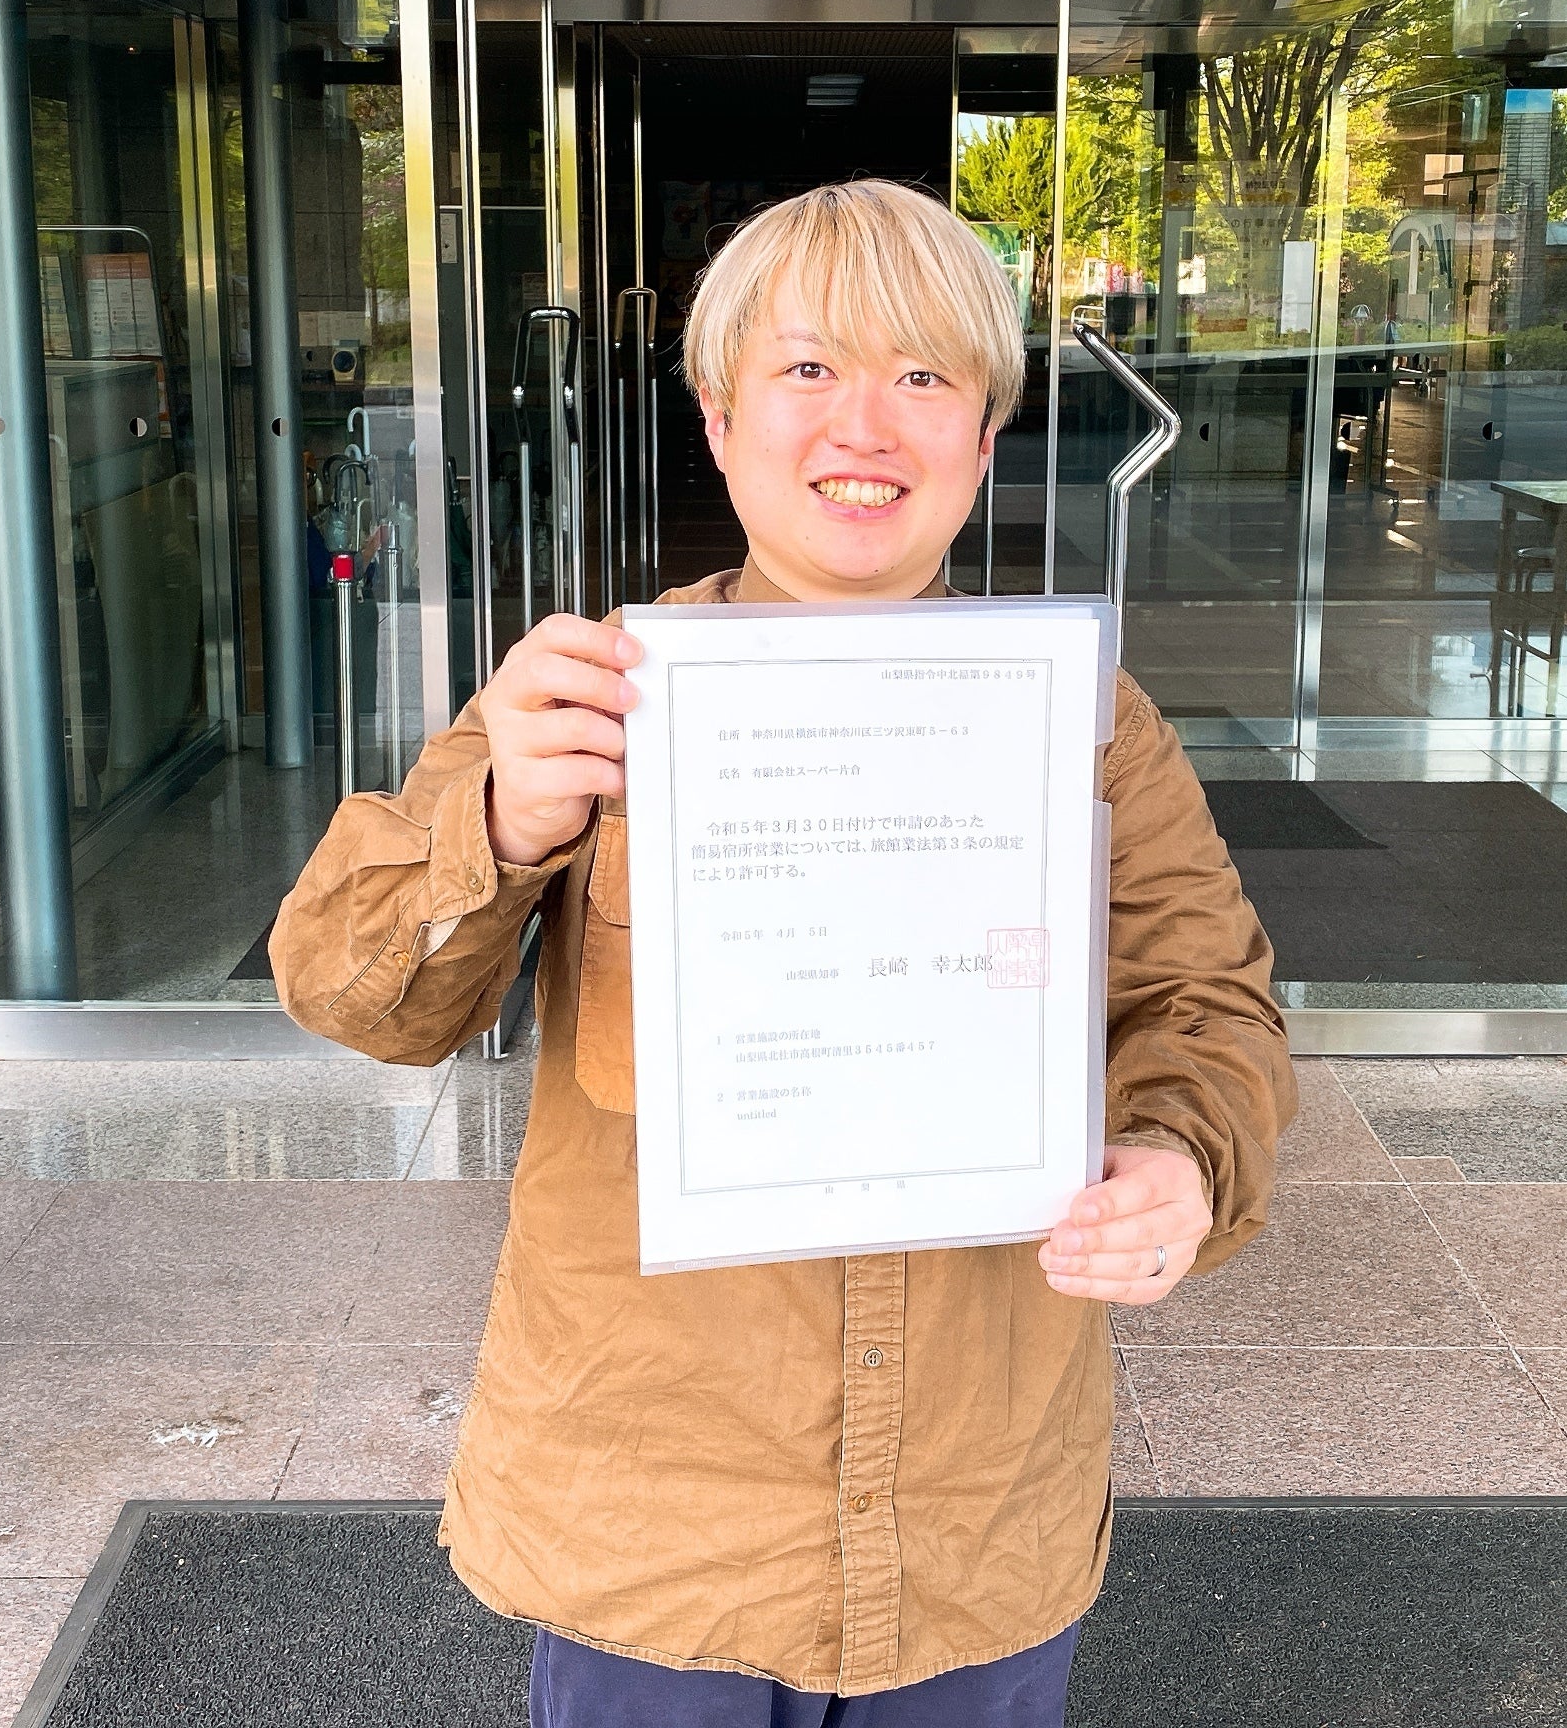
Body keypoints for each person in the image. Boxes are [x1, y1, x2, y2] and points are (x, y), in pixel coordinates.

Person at [269, 179, 1293, 1726]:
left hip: (972, 1522)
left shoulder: (1085, 721)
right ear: (719, 418)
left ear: (985, 439)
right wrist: (500, 819)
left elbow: (1205, 1001)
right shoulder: (590, 697)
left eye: (924, 376)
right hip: (656, 1525)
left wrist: (1180, 1160)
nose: (862, 426)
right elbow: (353, 993)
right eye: (809, 368)